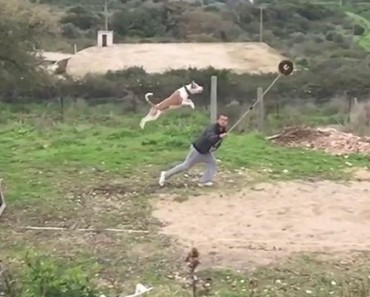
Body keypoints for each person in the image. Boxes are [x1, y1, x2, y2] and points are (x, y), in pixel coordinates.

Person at [159, 114, 229, 187]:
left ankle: (204, 181)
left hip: (206, 152)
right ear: (218, 120)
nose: (223, 122)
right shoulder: (212, 128)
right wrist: (219, 136)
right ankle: (165, 174)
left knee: (213, 163)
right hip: (197, 150)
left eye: (225, 120)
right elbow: (210, 137)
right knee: (185, 166)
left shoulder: (223, 130)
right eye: (221, 119)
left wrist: (215, 147)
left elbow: (217, 142)